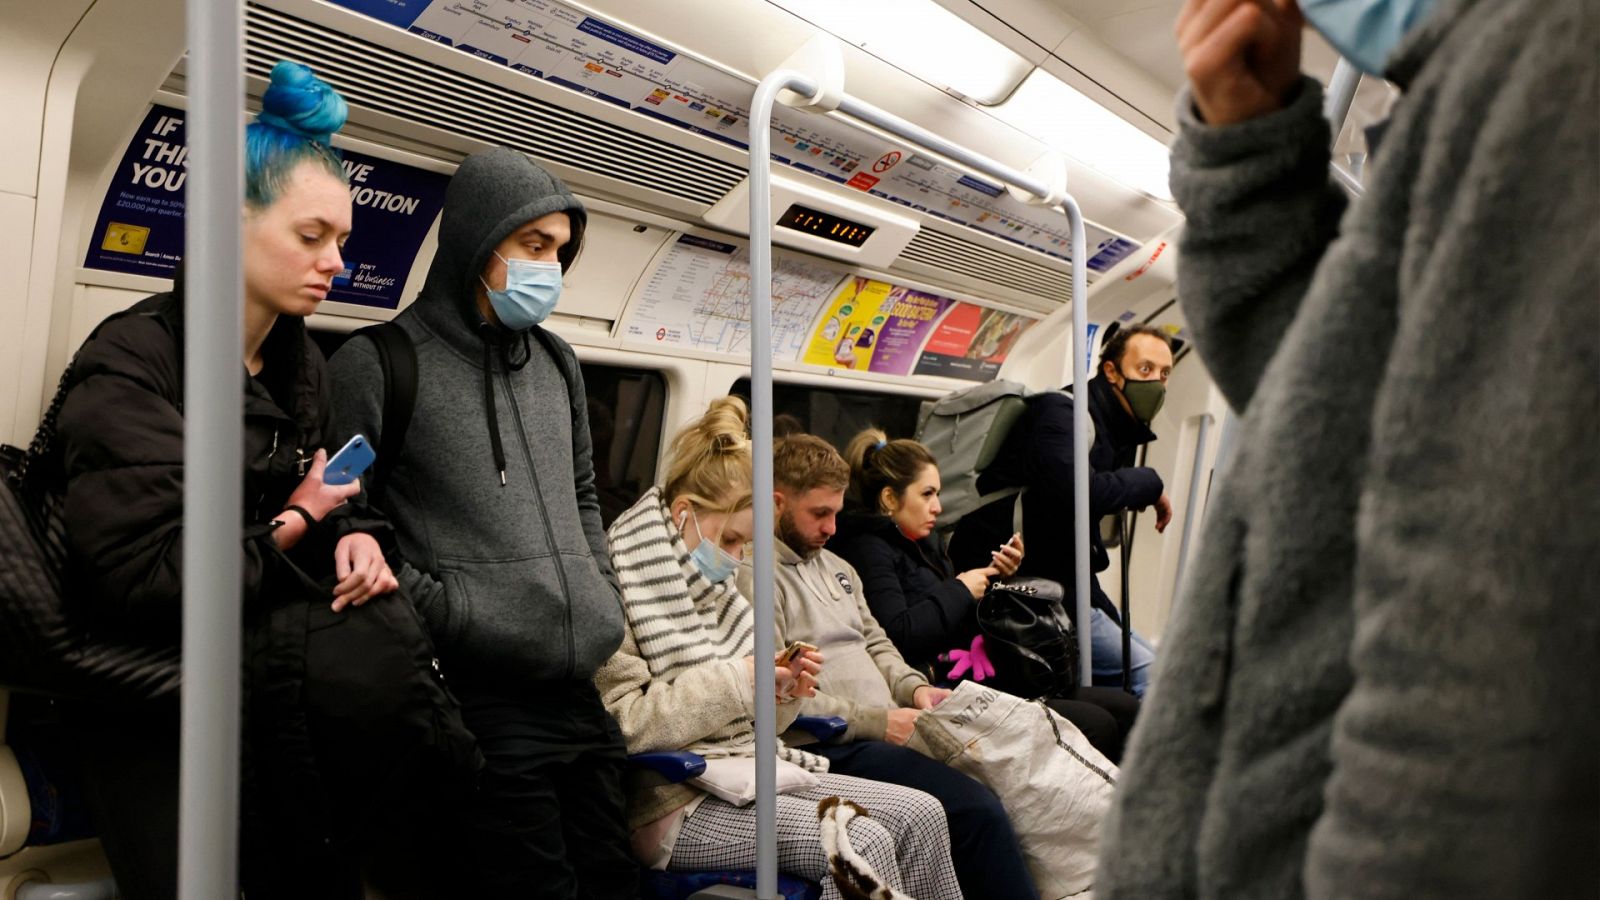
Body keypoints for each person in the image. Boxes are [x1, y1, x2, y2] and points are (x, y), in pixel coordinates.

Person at [1096, 0, 1597, 897]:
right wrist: (1249, 160)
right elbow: (1324, 428)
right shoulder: (1465, 91)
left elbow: (1481, 676)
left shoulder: (1555, 65)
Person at [52, 62, 397, 899]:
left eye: (343, 242)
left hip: (263, 682)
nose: (337, 265)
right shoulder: (131, 362)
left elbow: (333, 493)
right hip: (151, 699)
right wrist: (302, 517)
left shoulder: (301, 364)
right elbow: (148, 576)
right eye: (312, 237)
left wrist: (355, 532)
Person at [327, 147, 635, 897]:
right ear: (475, 243)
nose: (551, 269)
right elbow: (344, 511)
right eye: (534, 246)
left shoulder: (558, 363)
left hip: (577, 685)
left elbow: (585, 494)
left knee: (615, 881)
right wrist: (454, 611)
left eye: (561, 251)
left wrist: (602, 593)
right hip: (479, 693)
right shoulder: (380, 363)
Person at [595, 398, 963, 900]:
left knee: (923, 814)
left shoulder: (715, 588)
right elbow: (627, 725)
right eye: (729, 539)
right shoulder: (618, 588)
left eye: (744, 544)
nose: (736, 558)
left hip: (744, 772)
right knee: (857, 839)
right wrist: (742, 681)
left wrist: (782, 693)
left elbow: (750, 716)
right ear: (684, 514)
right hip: (672, 802)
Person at [739, 433, 1040, 900]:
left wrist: (915, 689)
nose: (832, 528)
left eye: (836, 513)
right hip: (830, 740)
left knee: (1018, 767)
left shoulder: (837, 566)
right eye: (819, 514)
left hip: (893, 722)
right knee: (975, 810)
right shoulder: (756, 576)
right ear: (777, 503)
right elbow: (780, 691)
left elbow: (876, 643)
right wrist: (881, 723)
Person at [835, 429, 1140, 763]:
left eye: (938, 494)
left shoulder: (926, 545)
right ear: (890, 499)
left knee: (1125, 707)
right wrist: (961, 588)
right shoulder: (868, 550)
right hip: (941, 688)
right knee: (1096, 724)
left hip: (980, 671)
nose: (937, 506)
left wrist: (998, 577)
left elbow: (955, 615)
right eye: (926, 494)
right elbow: (898, 634)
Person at [949, 324, 1176, 697]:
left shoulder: (1110, 429)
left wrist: (1109, 615)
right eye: (1146, 370)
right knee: (1150, 674)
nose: (1157, 383)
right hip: (1022, 591)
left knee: (1155, 660)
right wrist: (1149, 481)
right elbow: (1082, 494)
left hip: (1059, 582)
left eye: (1165, 374)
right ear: (1112, 372)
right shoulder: (1060, 414)